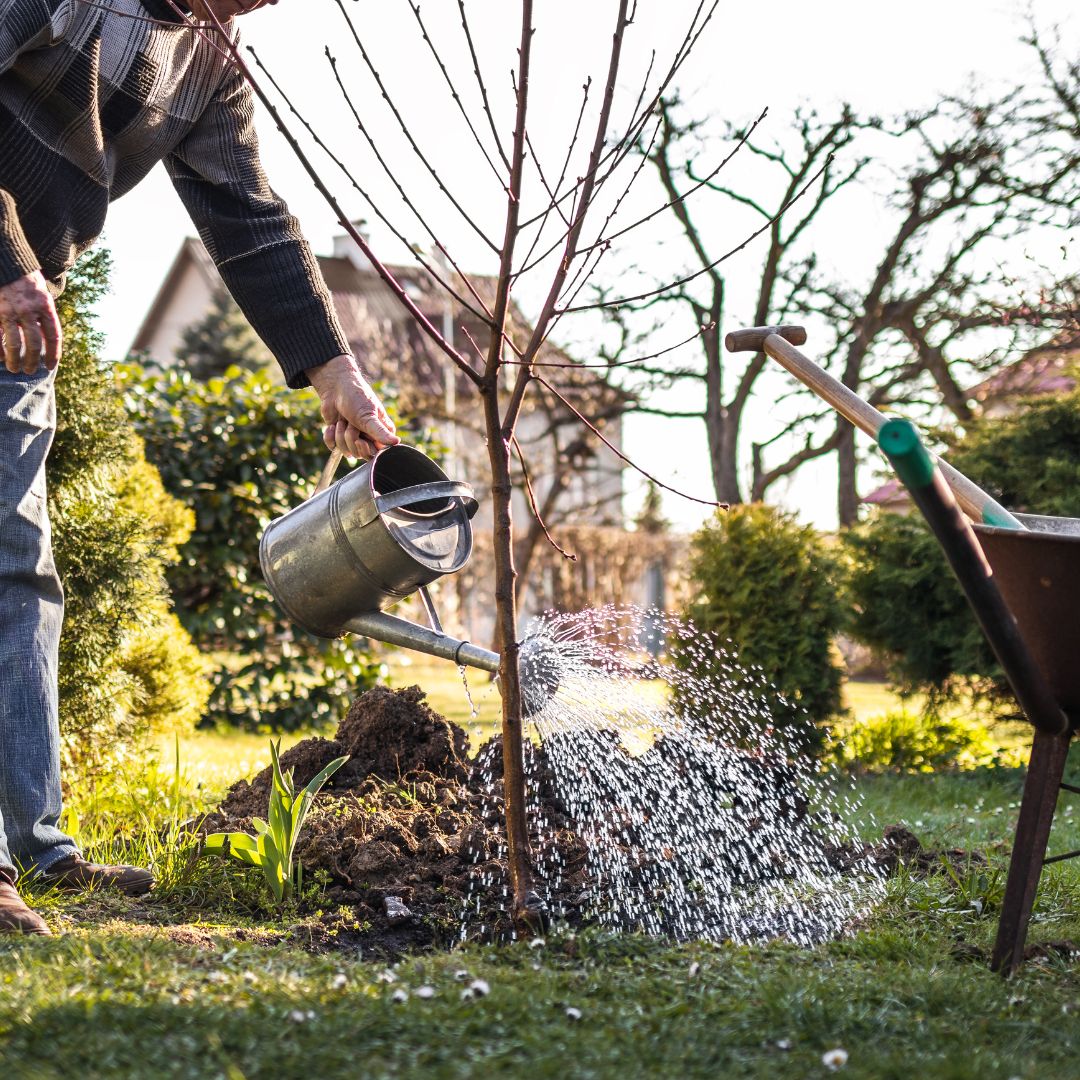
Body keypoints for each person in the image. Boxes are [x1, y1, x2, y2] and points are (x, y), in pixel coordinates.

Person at [0, 0, 399, 934]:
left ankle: (41, 851)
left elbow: (249, 216)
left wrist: (334, 374)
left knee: (18, 571)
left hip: (16, 317)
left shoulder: (210, 56)